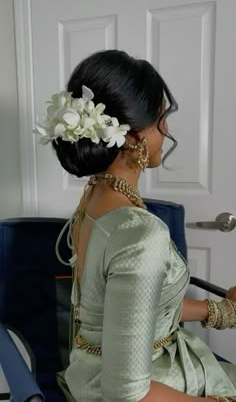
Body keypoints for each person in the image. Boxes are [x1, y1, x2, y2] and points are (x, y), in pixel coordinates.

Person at [35, 50, 236, 402]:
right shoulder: (141, 234)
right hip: (144, 383)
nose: (167, 130)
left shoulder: (94, 198)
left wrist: (219, 312)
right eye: (161, 118)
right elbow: (128, 393)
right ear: (131, 137)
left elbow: (128, 309)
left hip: (94, 369)